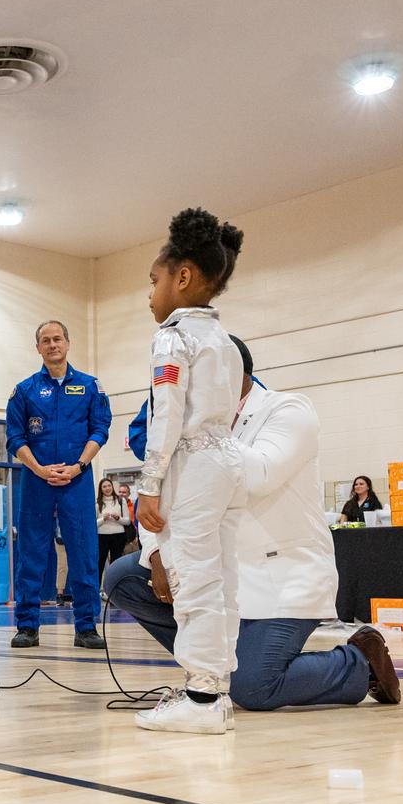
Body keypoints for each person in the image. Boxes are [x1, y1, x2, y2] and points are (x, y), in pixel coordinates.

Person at [107, 335, 400, 722]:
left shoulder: (289, 410)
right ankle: (209, 667)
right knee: (124, 578)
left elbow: (259, 475)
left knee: (254, 687)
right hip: (220, 572)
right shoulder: (188, 432)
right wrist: (157, 552)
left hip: (283, 575)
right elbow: (159, 500)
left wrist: (203, 431)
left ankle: (358, 662)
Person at [131, 207, 249, 734]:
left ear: (182, 277)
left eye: (153, 280)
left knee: (192, 575)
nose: (150, 294)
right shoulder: (225, 341)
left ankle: (201, 698)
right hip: (227, 461)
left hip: (194, 464)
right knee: (222, 579)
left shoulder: (173, 336)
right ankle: (216, 691)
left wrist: (149, 485)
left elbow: (167, 415)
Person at [5, 320, 111, 649]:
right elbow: (15, 437)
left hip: (76, 481)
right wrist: (38, 469)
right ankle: (27, 626)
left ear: (67, 343)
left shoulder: (90, 386)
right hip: (37, 481)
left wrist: (79, 466)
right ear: (38, 348)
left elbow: (100, 429)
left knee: (83, 552)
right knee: (31, 553)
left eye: (57, 339)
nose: (52, 345)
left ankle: (86, 627)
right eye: (46, 341)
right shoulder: (24, 390)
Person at [95, 477, 132, 582]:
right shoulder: (97, 503)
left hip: (118, 536)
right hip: (101, 537)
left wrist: (118, 518)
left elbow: (127, 521)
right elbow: (93, 524)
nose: (107, 488)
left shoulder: (121, 500)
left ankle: (114, 588)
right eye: (104, 487)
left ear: (112, 486)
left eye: (109, 486)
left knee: (116, 565)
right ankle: (96, 589)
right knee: (99, 564)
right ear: (101, 489)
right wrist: (103, 519)